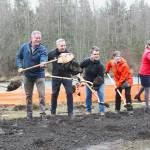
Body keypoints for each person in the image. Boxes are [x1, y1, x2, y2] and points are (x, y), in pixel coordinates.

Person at [16, 31, 48, 121]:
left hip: (39, 75)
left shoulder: (43, 49)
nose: (38, 40)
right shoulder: (24, 47)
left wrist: (43, 62)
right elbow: (18, 57)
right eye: (36, 38)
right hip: (27, 75)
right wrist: (19, 66)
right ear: (32, 38)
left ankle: (43, 114)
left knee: (42, 95)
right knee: (28, 96)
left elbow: (44, 57)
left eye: (39, 38)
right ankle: (29, 114)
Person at [48, 39, 75, 117]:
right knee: (54, 93)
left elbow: (74, 66)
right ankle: (53, 112)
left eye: (64, 45)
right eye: (61, 46)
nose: (63, 47)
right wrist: (46, 71)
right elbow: (44, 61)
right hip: (56, 76)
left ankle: (70, 112)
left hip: (67, 76)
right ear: (57, 46)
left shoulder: (69, 54)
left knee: (69, 92)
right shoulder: (52, 54)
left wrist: (75, 72)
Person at [80, 46, 105, 115]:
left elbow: (100, 78)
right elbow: (79, 68)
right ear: (91, 54)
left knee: (101, 94)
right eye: (95, 54)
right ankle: (88, 110)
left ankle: (102, 110)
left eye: (97, 54)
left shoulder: (100, 65)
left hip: (99, 82)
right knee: (88, 96)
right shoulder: (86, 61)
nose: (96, 56)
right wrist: (80, 77)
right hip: (88, 82)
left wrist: (95, 87)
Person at [139, 40, 150, 113]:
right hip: (145, 74)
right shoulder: (148, 52)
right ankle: (147, 107)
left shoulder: (147, 50)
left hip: (146, 73)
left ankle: (137, 94)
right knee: (147, 90)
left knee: (145, 86)